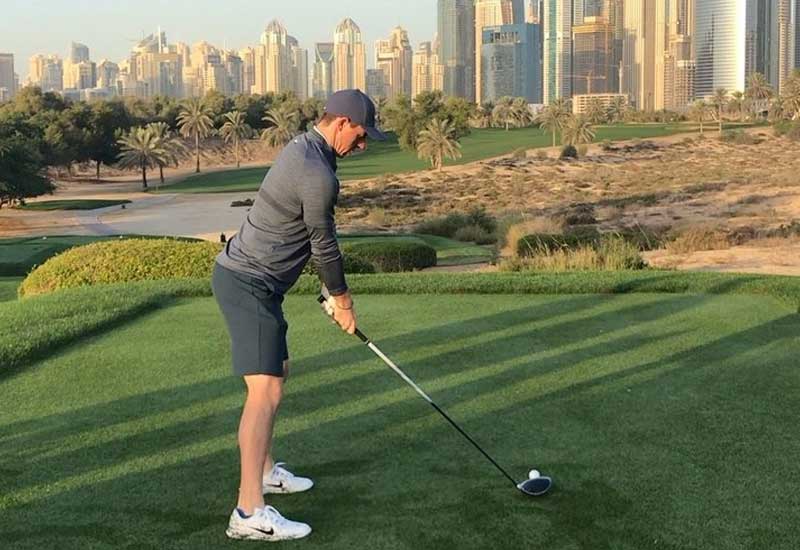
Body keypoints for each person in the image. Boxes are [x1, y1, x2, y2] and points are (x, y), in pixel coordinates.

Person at [212, 89, 387, 542]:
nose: (363, 146)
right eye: (362, 136)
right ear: (343, 123)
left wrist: (331, 292)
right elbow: (323, 245)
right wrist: (343, 301)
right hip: (247, 282)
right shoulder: (316, 171)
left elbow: (303, 238)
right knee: (265, 389)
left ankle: (266, 472)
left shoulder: (309, 149)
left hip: (260, 284)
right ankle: (248, 510)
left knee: (279, 370)